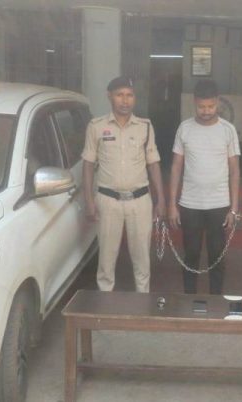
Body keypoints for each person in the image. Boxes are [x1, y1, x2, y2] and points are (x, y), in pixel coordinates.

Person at [82, 76, 166, 293]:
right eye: (120, 95)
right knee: (106, 261)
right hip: (108, 200)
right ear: (109, 96)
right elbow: (88, 165)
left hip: (140, 201)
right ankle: (105, 303)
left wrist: (161, 199)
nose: (125, 100)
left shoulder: (145, 126)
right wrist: (89, 200)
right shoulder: (96, 127)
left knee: (142, 259)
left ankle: (142, 303)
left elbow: (153, 164)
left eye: (129, 95)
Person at [167, 79, 240, 294]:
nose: (206, 111)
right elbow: (176, 168)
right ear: (194, 102)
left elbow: (235, 170)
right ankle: (189, 298)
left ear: (217, 102)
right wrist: (172, 205)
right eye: (201, 106)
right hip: (190, 204)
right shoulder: (185, 128)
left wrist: (234, 208)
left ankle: (215, 298)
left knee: (217, 255)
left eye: (210, 106)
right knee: (191, 254)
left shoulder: (228, 130)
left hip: (219, 204)